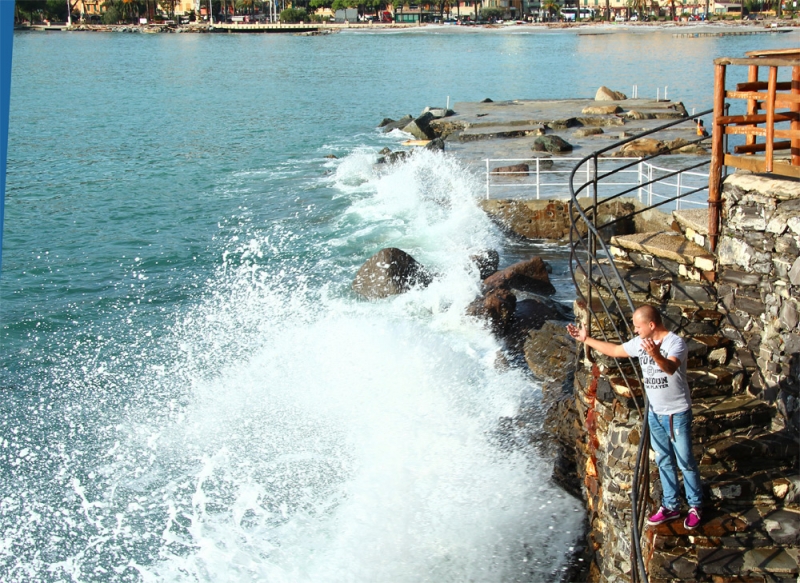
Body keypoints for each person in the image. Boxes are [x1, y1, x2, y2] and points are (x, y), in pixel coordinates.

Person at [566, 305, 703, 530]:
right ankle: (670, 506)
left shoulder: (674, 343)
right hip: (654, 413)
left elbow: (669, 368)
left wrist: (655, 354)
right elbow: (615, 350)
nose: (634, 330)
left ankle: (695, 506)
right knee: (663, 460)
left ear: (651, 325)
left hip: (676, 413)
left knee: (685, 461)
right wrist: (586, 339)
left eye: (638, 326)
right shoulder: (641, 343)